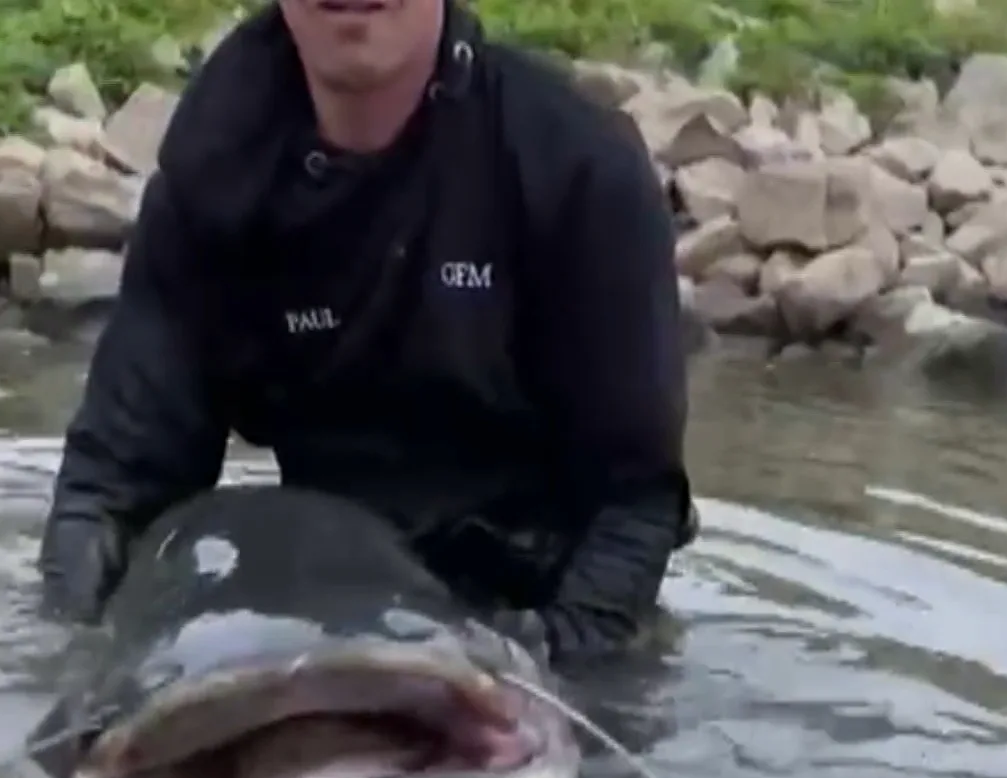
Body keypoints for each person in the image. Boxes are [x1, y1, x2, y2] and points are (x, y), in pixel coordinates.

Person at [36, 0, 695, 666]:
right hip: (322, 615)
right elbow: (114, 485)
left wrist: (543, 657)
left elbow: (637, 502)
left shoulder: (576, 162)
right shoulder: (214, 168)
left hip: (546, 619)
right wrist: (87, 658)